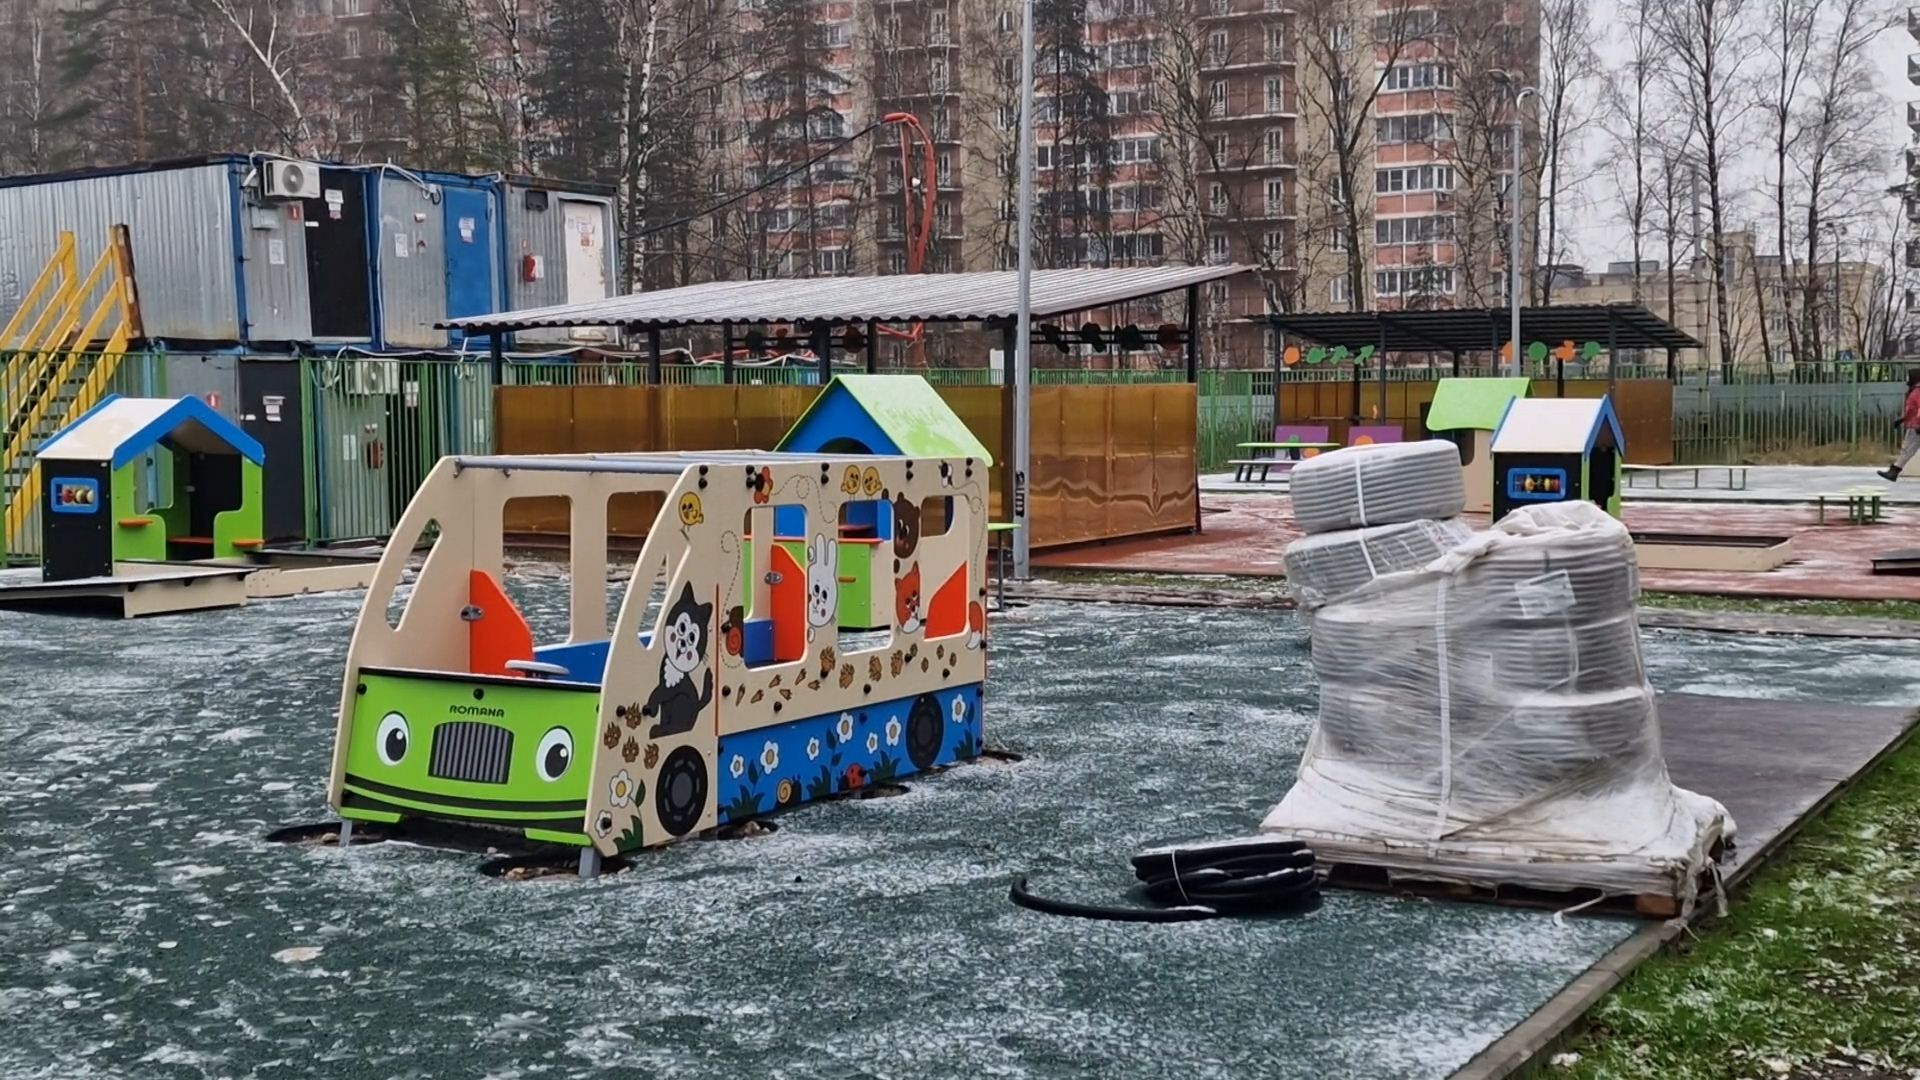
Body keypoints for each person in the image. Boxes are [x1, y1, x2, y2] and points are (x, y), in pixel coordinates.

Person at [1881, 369, 1920, 482]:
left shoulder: (1917, 391)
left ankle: (1894, 472)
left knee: (1907, 449)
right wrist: (1902, 419)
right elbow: (1911, 411)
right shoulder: (1915, 391)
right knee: (1908, 449)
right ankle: (1894, 471)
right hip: (1914, 424)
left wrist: (1918, 423)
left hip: (1916, 426)